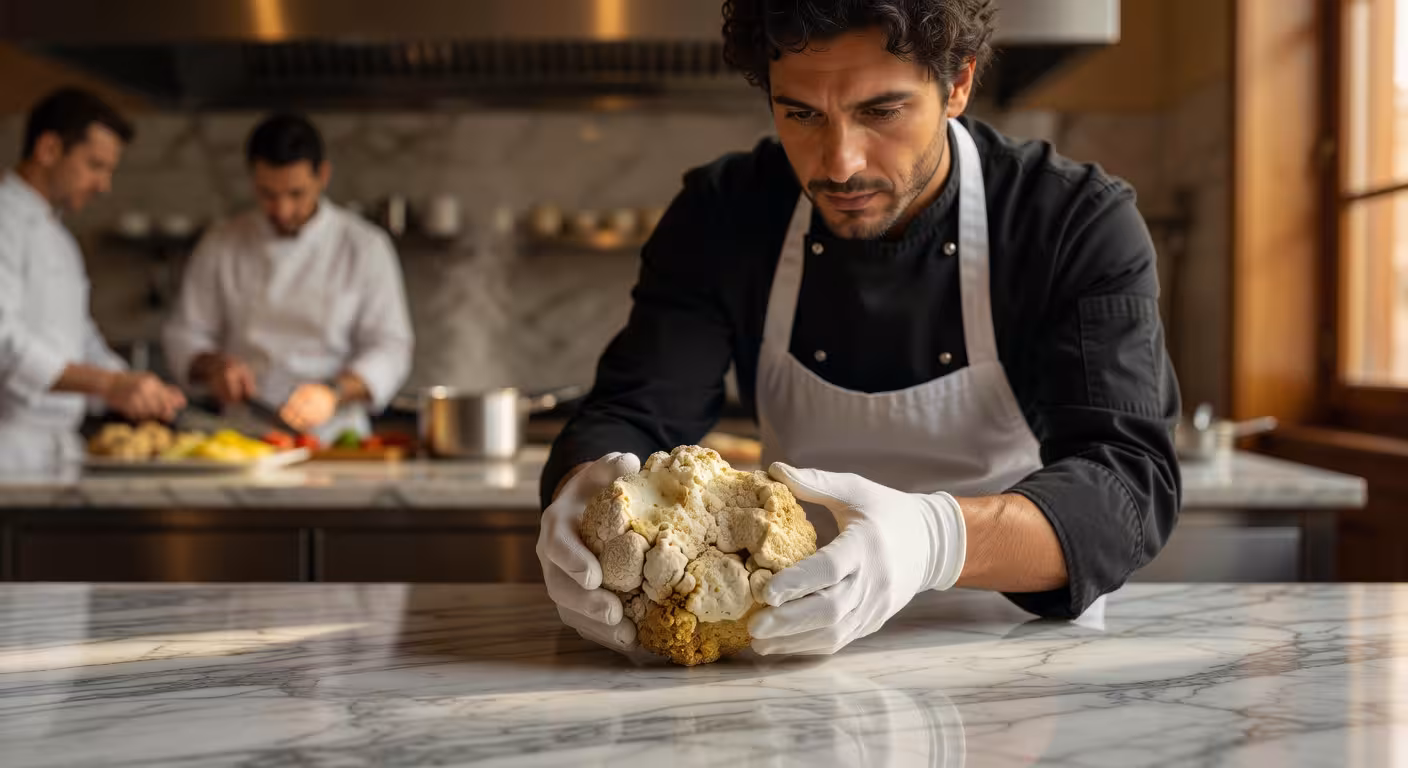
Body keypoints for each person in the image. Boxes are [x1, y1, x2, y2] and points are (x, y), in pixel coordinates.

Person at [537, 0, 1181, 657]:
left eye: (881, 111)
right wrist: (582, 494)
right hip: (783, 641)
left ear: (957, 83)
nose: (839, 164)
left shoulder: (1072, 221)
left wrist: (933, 540)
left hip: (1013, 649)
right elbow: (633, 412)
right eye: (801, 114)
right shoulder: (723, 215)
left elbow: (1127, 483)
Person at [163, 113, 413, 442]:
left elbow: (391, 347)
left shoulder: (364, 246)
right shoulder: (221, 244)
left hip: (335, 438)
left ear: (322, 176)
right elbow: (184, 335)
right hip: (245, 438)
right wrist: (214, 368)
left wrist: (333, 392)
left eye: (296, 194)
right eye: (267, 194)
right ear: (252, 180)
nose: (281, 210)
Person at [0, 88, 186, 474]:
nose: (104, 185)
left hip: (57, 453)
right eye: (95, 165)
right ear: (49, 149)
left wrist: (129, 382)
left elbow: (79, 338)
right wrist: (106, 384)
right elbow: (3, 344)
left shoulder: (59, 237)